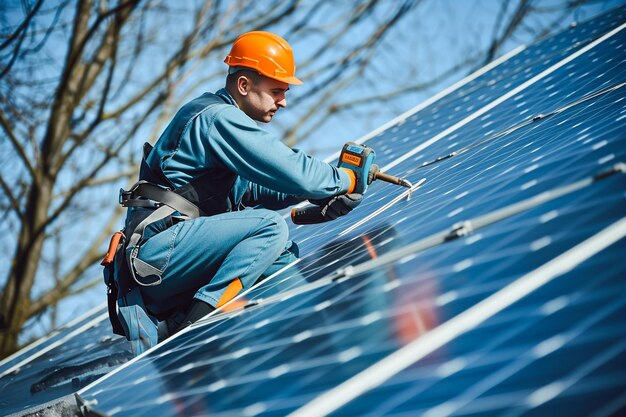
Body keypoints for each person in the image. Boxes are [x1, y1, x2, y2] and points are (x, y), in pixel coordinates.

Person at [119, 31, 368, 346]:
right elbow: (291, 170)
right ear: (244, 85)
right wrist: (345, 180)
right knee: (269, 228)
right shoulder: (217, 118)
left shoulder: (217, 128)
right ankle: (194, 328)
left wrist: (320, 191)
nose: (284, 101)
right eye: (277, 90)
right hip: (157, 257)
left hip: (175, 261)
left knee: (279, 256)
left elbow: (254, 191)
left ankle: (304, 336)